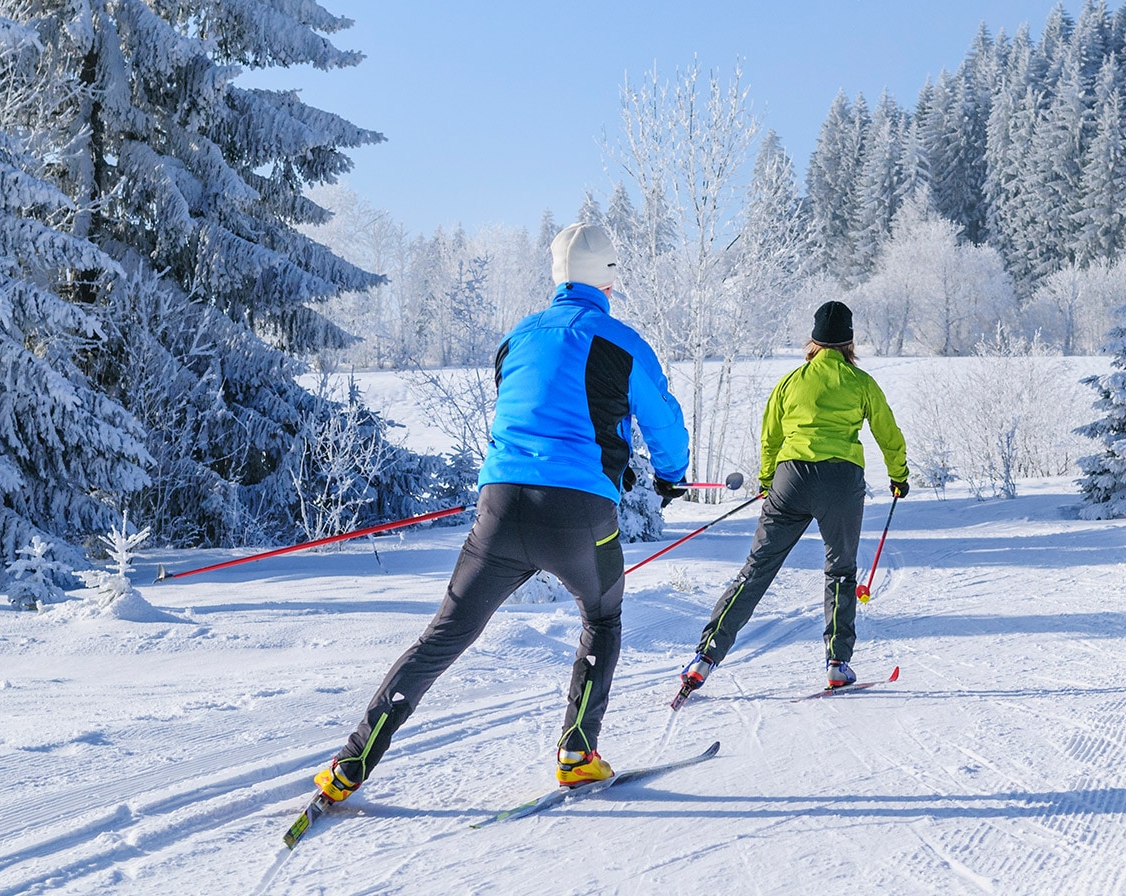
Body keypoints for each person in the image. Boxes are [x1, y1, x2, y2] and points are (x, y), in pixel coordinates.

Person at [313, 221, 689, 801]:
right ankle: (577, 752)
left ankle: (351, 761)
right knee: (603, 617)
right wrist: (669, 476)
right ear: (609, 280)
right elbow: (662, 422)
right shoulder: (621, 342)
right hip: (579, 514)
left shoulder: (516, 338)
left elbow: (528, 406)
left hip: (501, 506)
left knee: (444, 635)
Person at [680, 300, 908, 693]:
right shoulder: (861, 382)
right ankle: (837, 663)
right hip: (841, 480)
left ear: (814, 340)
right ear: (849, 342)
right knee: (840, 571)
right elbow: (887, 431)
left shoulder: (792, 381)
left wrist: (768, 480)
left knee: (756, 569)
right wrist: (898, 475)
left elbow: (770, 436)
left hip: (792, 477)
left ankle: (705, 657)